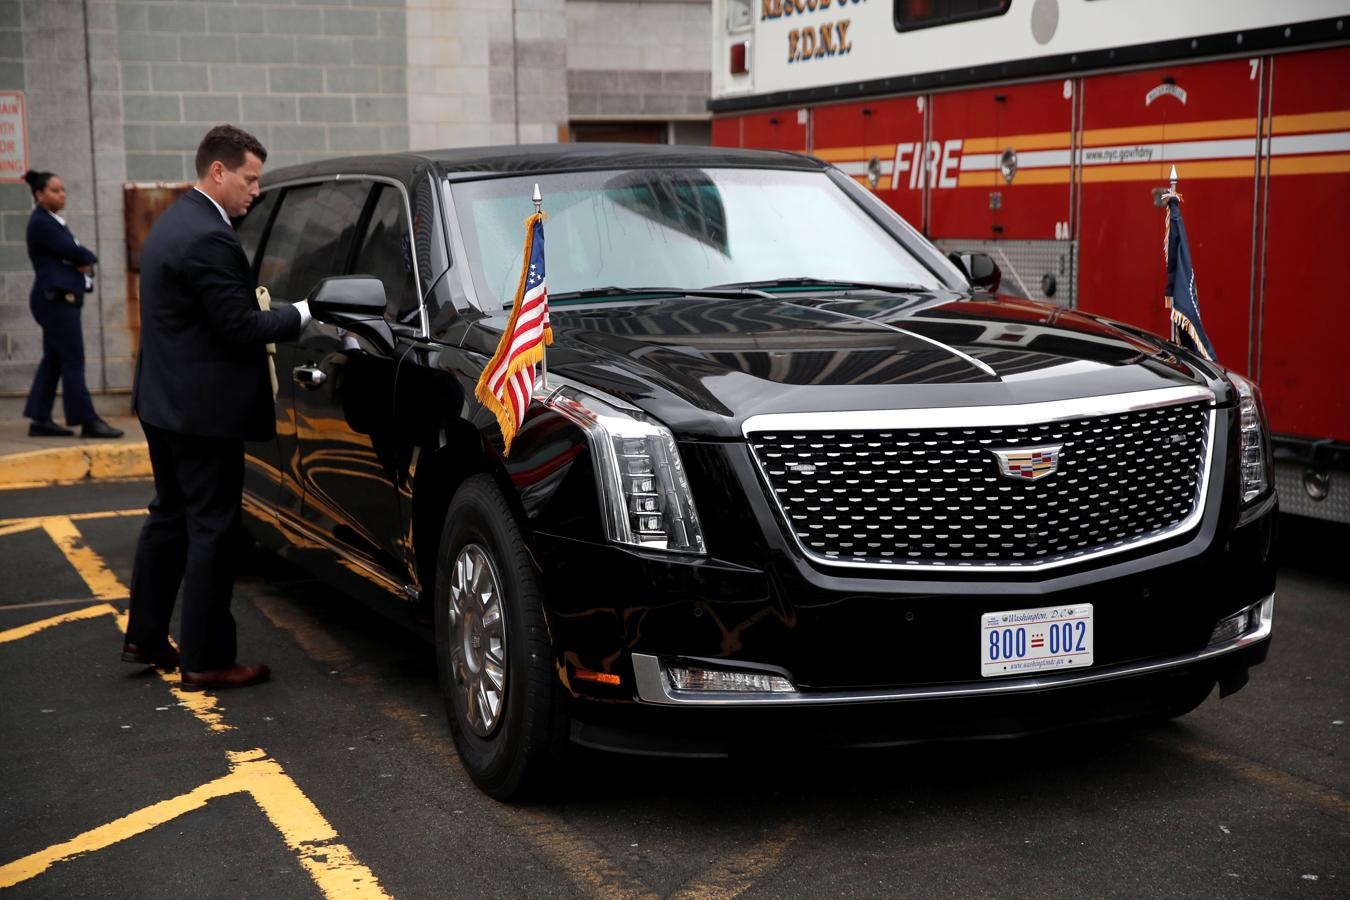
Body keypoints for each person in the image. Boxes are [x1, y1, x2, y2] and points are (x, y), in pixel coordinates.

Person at [122, 124, 310, 690]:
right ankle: (205, 659)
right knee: (211, 531)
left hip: (164, 403)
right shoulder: (210, 236)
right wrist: (302, 313)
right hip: (201, 415)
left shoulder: (177, 220)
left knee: (171, 517)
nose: (256, 190)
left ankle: (146, 637)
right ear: (219, 172)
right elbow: (240, 326)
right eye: (250, 179)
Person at [21, 170, 123, 438]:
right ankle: (87, 420)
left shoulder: (53, 221)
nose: (62, 194)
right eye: (55, 190)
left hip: (55, 300)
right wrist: (85, 258)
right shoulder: (43, 223)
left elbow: (71, 254)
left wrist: (79, 262)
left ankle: (40, 419)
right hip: (56, 301)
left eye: (63, 189)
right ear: (39, 194)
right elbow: (75, 252)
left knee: (54, 359)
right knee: (73, 360)